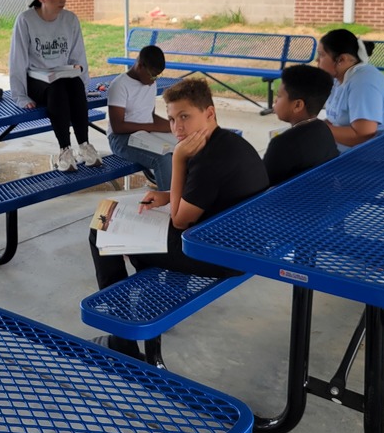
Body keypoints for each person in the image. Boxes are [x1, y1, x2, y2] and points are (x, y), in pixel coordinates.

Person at [89, 78, 268, 359]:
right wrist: (168, 193)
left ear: (209, 113)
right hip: (235, 242)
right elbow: (203, 194)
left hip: (219, 255)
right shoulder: (227, 141)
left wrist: (178, 159)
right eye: (172, 119)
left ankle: (122, 337)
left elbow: (180, 221)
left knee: (101, 231)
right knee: (135, 227)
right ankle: (154, 302)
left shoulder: (207, 159)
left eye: (185, 116)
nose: (177, 128)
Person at [9, 0, 101, 173]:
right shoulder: (26, 20)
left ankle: (84, 146)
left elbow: (79, 56)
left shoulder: (70, 19)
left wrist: (82, 85)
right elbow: (18, 60)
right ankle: (64, 150)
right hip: (38, 80)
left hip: (63, 76)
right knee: (57, 88)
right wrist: (20, 96)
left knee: (75, 84)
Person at [316, 28, 384, 150]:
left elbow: (363, 135)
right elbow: (335, 121)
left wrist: (317, 130)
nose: (317, 60)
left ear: (341, 59)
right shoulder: (340, 78)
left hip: (375, 157)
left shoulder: (363, 82)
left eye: (321, 55)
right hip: (356, 153)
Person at [105, 45, 173, 191]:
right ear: (140, 65)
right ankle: (170, 205)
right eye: (153, 75)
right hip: (121, 139)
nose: (154, 80)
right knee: (163, 158)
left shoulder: (150, 84)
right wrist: (152, 127)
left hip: (145, 134)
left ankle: (187, 199)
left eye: (157, 76)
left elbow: (150, 115)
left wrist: (173, 125)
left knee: (184, 145)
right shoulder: (120, 85)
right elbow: (117, 126)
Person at [263, 64, 339, 186]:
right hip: (322, 199)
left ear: (297, 105)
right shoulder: (323, 129)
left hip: (289, 203)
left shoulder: (282, 144)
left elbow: (262, 184)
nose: (275, 101)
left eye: (279, 96)